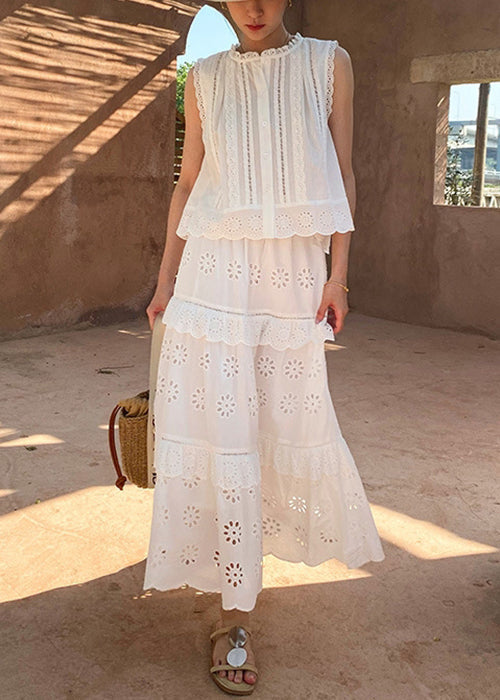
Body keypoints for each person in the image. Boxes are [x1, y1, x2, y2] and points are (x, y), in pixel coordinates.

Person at [143, 0, 385, 695]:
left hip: (292, 279)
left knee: (280, 426)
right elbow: (189, 182)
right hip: (212, 274)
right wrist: (164, 283)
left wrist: (338, 276)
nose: (253, 7)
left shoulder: (328, 64)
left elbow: (343, 174)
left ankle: (238, 587)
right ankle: (234, 617)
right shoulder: (205, 76)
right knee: (221, 434)